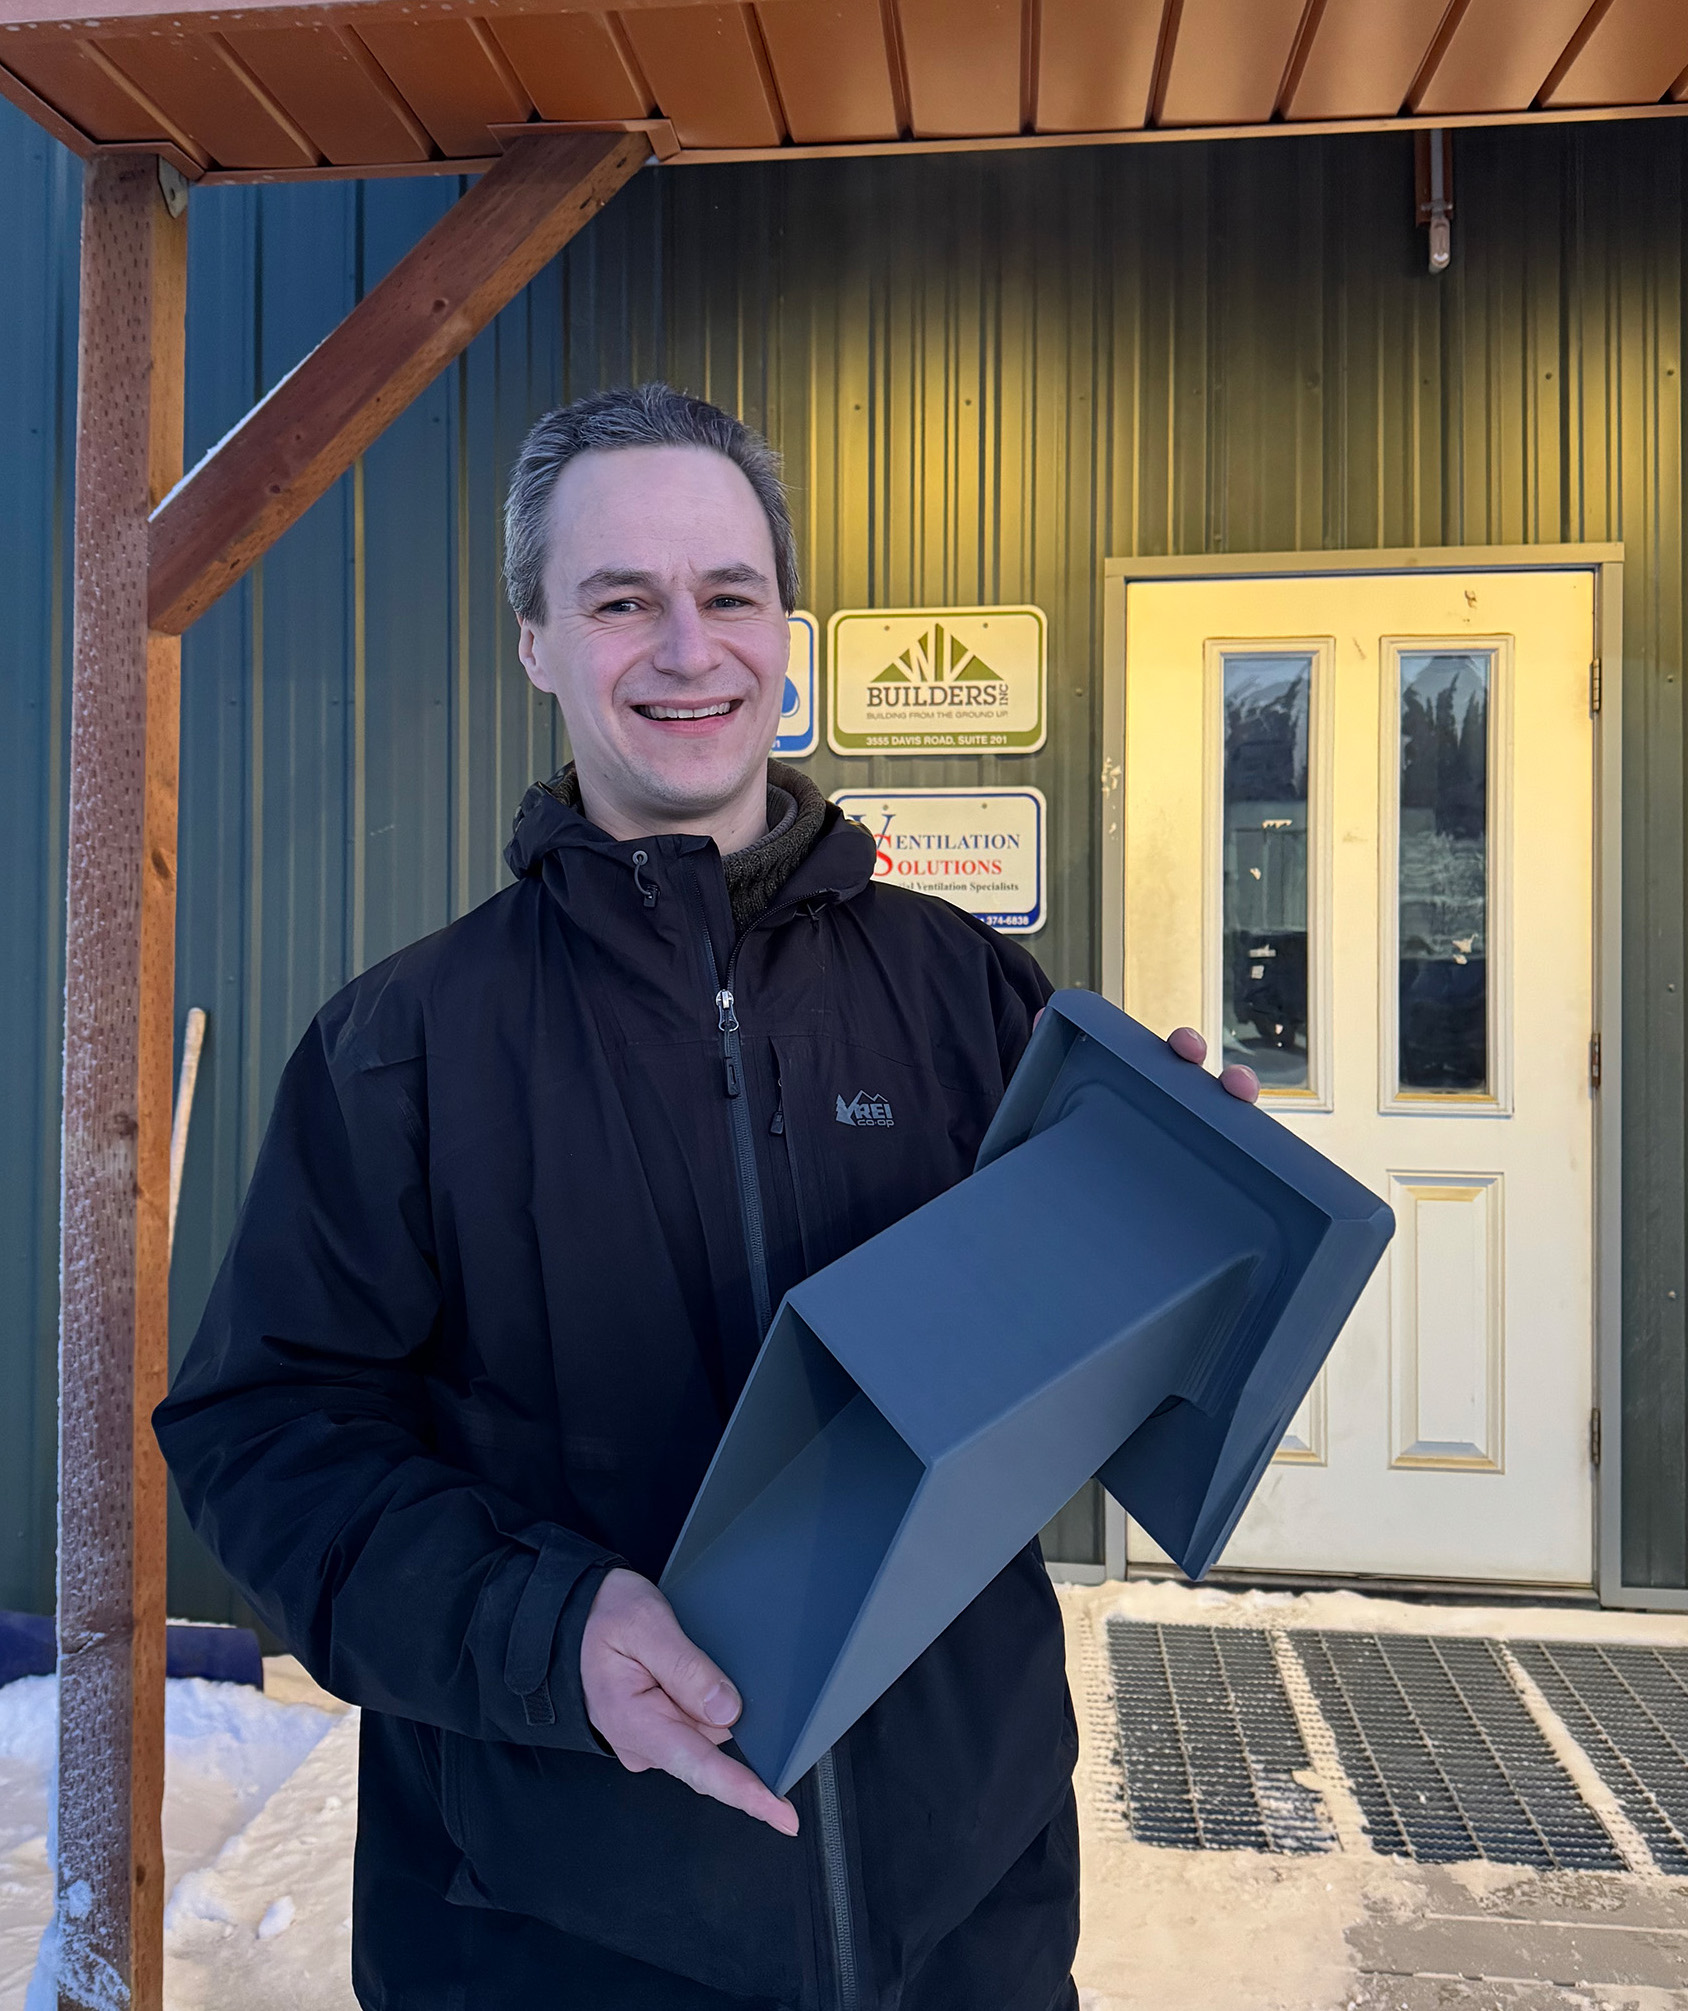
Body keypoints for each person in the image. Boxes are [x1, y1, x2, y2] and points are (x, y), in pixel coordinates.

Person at [155, 384, 1258, 2011]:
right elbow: (267, 1442)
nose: (690, 648)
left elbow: (1071, 1377)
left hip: (964, 1910)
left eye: (730, 595)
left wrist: (1184, 1209)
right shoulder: (405, 1046)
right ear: (535, 642)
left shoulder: (964, 991)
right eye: (622, 601)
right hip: (548, 1928)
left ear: (787, 631)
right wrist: (545, 1632)